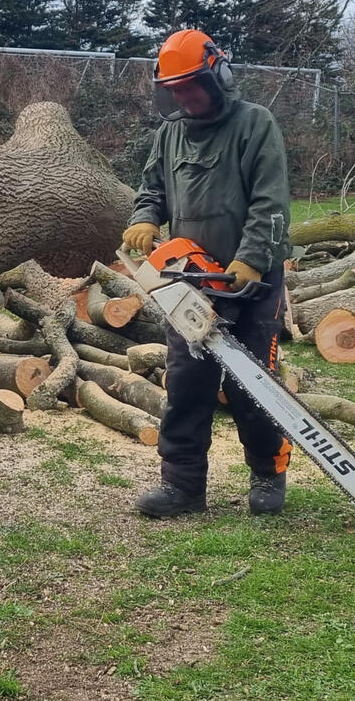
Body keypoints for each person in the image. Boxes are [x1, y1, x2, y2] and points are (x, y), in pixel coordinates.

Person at [121, 29, 293, 518]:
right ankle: (182, 485)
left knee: (252, 384)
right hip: (191, 281)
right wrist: (144, 218)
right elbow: (151, 188)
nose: (184, 96)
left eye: (191, 85)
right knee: (187, 383)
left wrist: (253, 257)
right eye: (174, 89)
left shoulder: (255, 124)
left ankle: (267, 472)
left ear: (217, 74)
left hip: (251, 282)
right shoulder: (170, 134)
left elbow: (270, 201)